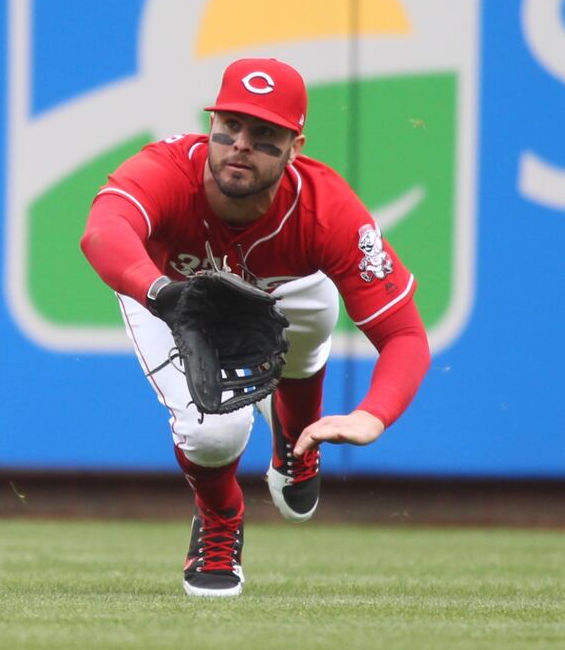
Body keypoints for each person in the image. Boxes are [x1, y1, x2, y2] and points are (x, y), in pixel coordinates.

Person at [80, 57, 431, 597]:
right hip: (168, 290)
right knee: (215, 430)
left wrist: (372, 415)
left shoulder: (326, 208)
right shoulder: (169, 168)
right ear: (212, 126)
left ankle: (296, 436)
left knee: (310, 320)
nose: (241, 144)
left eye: (265, 133)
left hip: (282, 282)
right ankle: (220, 519)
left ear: (296, 148)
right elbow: (104, 231)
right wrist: (160, 294)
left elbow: (405, 336)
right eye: (231, 126)